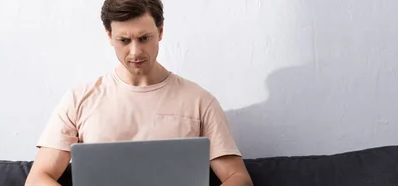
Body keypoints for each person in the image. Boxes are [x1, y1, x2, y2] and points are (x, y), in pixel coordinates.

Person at [25, 0, 253, 185]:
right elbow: (38, 178)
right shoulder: (79, 99)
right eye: (124, 40)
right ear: (109, 36)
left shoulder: (200, 101)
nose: (135, 52)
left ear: (160, 31)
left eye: (144, 38)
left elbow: (238, 177)